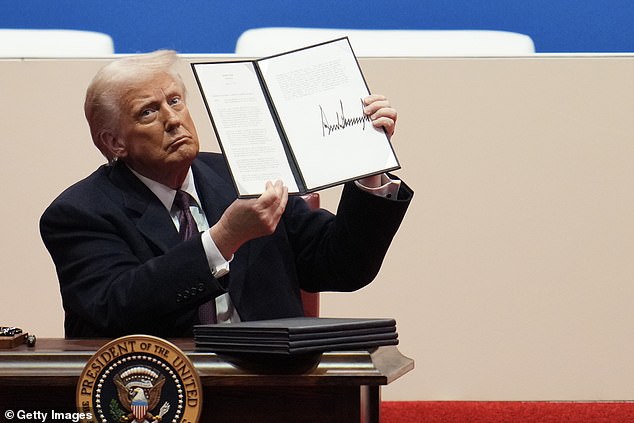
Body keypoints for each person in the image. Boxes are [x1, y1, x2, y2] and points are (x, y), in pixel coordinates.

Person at [40, 50, 413, 338]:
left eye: (175, 101)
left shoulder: (240, 174)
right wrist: (222, 240)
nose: (172, 119)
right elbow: (116, 306)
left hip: (274, 386)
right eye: (148, 112)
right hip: (168, 393)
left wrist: (371, 166)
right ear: (114, 142)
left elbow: (343, 265)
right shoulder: (79, 213)